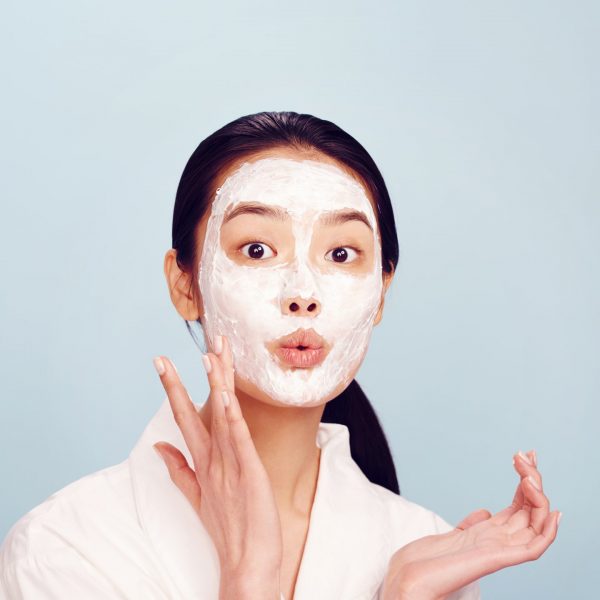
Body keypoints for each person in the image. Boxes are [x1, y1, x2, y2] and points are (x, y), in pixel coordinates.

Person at [0, 111, 559, 599]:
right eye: (257, 248)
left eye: (341, 254)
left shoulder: (424, 552)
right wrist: (249, 580)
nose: (303, 293)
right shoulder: (64, 545)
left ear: (381, 293)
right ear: (185, 284)